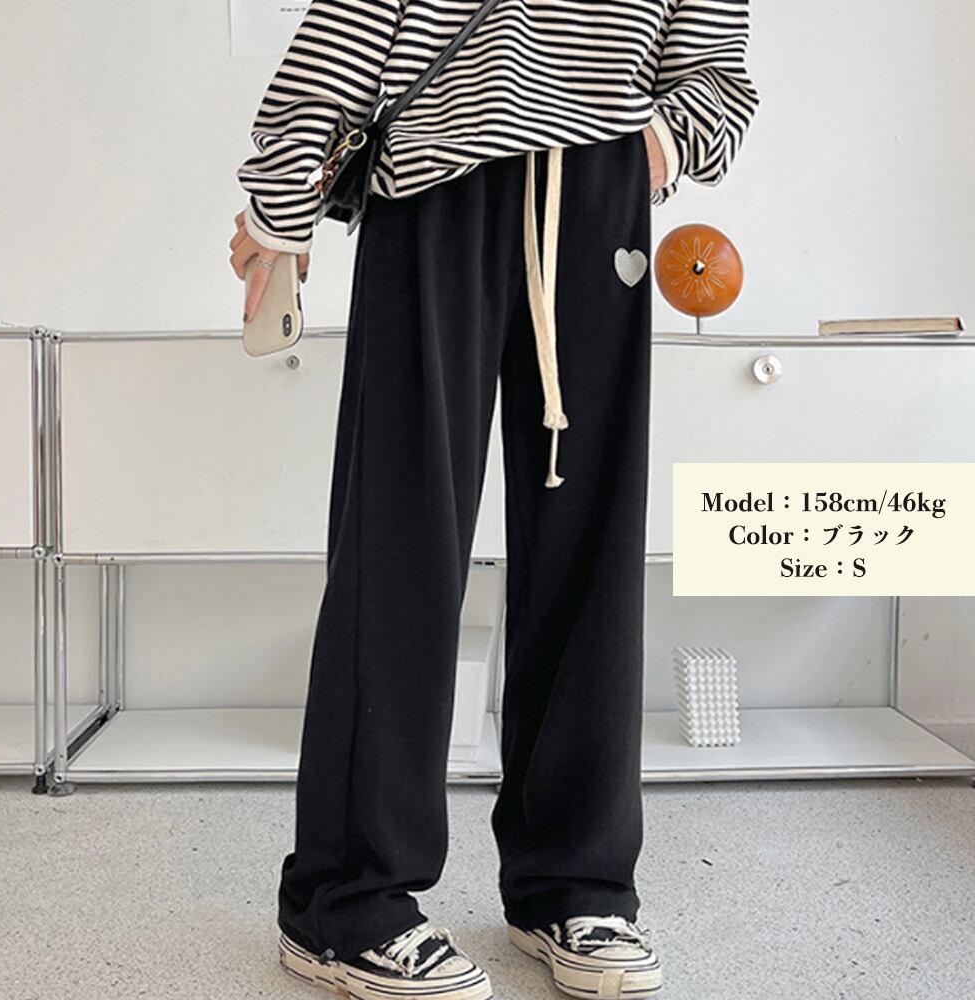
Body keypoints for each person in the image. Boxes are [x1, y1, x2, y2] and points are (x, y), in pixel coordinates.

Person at [228, 2, 759, 998]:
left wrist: (651, 142)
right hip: (437, 181)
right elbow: (352, 22)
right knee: (399, 538)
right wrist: (280, 204)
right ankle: (346, 898)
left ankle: (575, 882)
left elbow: (714, 67)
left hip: (600, 189)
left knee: (591, 543)